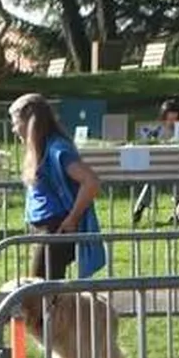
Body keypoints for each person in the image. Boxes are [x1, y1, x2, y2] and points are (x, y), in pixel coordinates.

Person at [12, 93, 105, 281]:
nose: (14, 130)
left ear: (29, 122)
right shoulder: (41, 148)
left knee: (40, 293)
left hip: (55, 229)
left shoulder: (57, 149)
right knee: (44, 292)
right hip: (42, 229)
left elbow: (91, 182)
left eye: (16, 123)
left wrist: (72, 219)